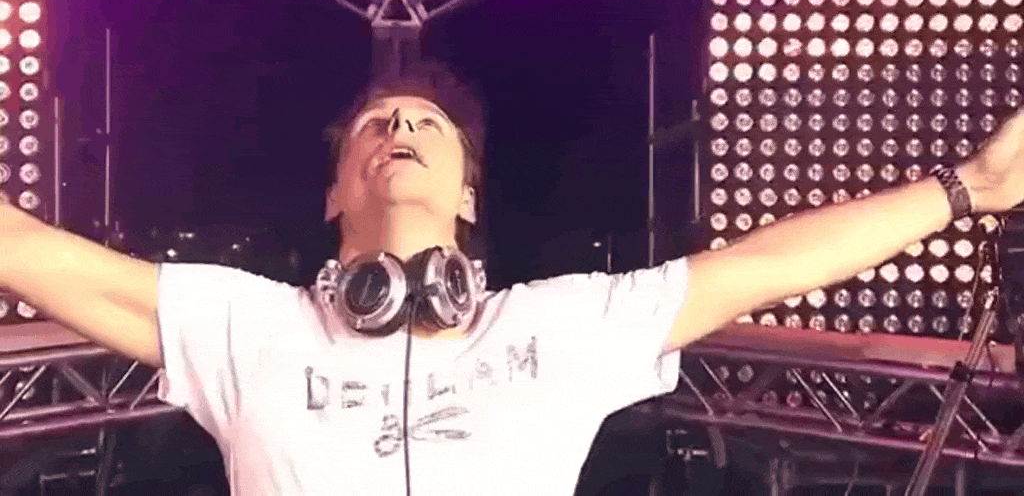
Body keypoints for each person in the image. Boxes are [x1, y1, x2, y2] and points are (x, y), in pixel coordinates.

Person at [2, 61, 1024, 495]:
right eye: (375, 125)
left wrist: (967, 187)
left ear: (468, 196)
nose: (399, 127)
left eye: (425, 123)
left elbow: (763, 265)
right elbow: (37, 253)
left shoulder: (560, 328)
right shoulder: (245, 327)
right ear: (334, 193)